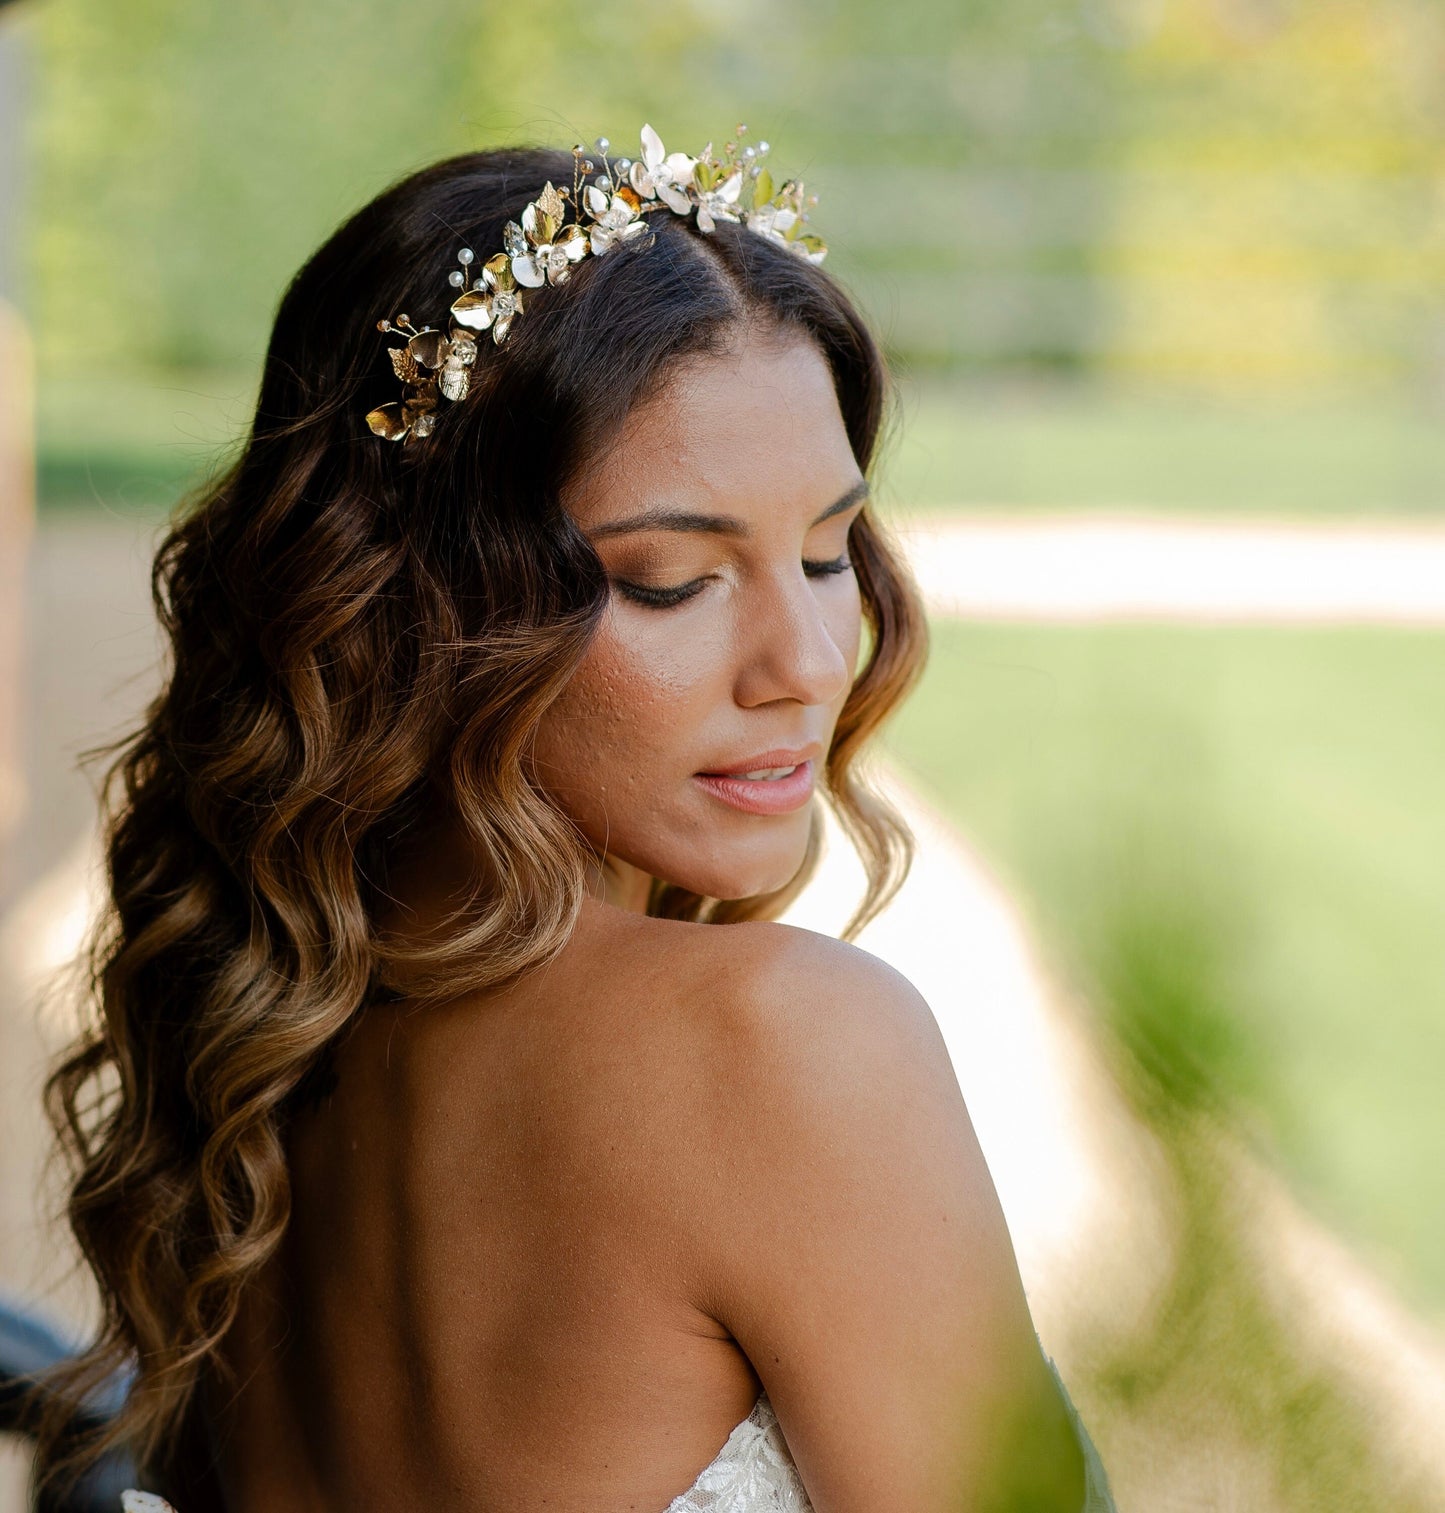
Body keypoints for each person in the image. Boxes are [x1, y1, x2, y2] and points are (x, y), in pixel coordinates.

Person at [32, 125, 1116, 1512]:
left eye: (828, 551)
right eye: (672, 579)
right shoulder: (781, 1043)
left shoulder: (256, 1039)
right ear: (417, 602)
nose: (803, 662)